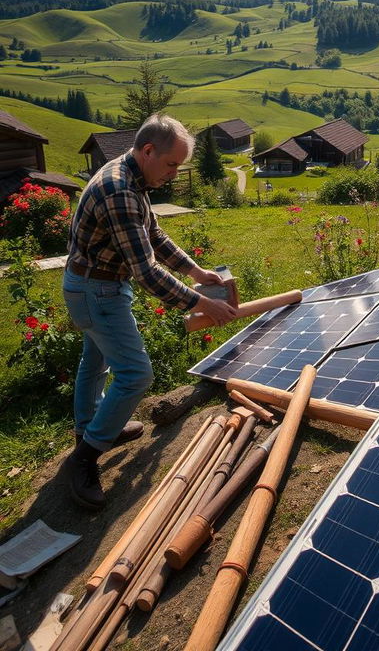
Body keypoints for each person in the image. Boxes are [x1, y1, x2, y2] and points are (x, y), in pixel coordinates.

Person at [62, 114, 237, 509]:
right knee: (136, 374)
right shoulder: (120, 191)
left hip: (95, 286)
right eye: (172, 164)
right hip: (97, 291)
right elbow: (146, 271)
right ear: (147, 150)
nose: (174, 174)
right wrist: (202, 302)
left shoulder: (131, 176)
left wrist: (194, 270)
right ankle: (85, 457)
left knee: (96, 361)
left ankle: (89, 428)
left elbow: (153, 234)